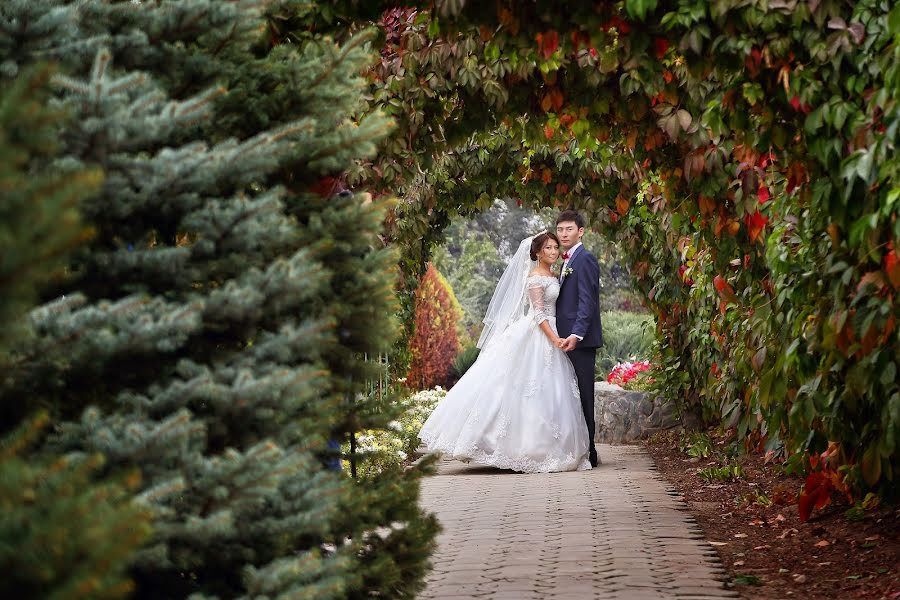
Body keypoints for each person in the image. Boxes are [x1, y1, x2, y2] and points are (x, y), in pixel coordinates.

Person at [418, 231, 592, 473]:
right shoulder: (534, 277)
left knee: (550, 393)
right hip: (539, 333)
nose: (553, 252)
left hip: (552, 332)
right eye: (548, 248)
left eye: (555, 248)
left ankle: (542, 446)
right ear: (538, 252)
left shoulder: (554, 274)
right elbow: (539, 313)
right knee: (518, 388)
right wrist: (554, 339)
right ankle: (502, 446)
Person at [555, 210, 603, 467]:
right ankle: (579, 448)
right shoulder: (566, 261)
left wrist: (576, 334)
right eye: (560, 229)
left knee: (584, 395)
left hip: (580, 341)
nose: (564, 234)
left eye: (569, 229)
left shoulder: (585, 260)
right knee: (570, 395)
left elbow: (587, 301)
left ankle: (590, 452)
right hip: (563, 339)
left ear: (581, 231)